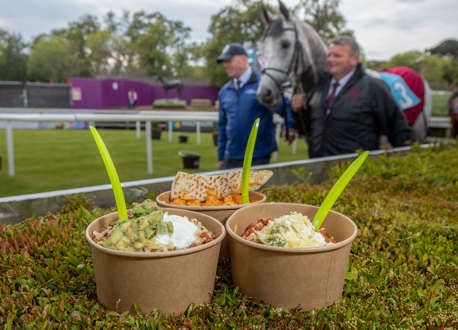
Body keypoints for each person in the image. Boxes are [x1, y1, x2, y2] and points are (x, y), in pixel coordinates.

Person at [290, 36, 411, 158]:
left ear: (354, 59)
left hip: (356, 172)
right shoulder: (319, 87)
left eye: (337, 56)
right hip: (318, 169)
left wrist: (400, 163)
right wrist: (298, 111)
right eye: (329, 55)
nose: (330, 60)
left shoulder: (374, 87)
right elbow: (306, 129)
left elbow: (399, 130)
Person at [216, 43, 294, 170]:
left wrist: (288, 126)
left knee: (253, 191)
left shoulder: (263, 84)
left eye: (229, 60)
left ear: (244, 59)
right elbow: (222, 126)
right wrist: (220, 157)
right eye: (224, 62)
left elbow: (285, 108)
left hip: (258, 156)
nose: (226, 65)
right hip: (230, 157)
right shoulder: (224, 91)